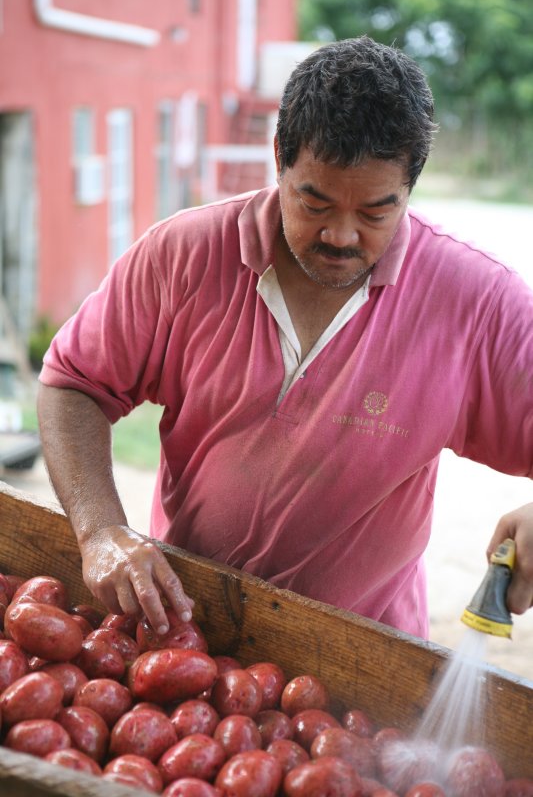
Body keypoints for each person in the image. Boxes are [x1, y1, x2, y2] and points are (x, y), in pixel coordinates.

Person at [37, 36, 533, 640]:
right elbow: (73, 385)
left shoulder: (476, 303)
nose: (342, 237)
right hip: (183, 629)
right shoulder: (182, 256)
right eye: (315, 202)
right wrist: (100, 531)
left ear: (411, 187)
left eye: (376, 212)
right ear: (279, 158)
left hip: (366, 661)